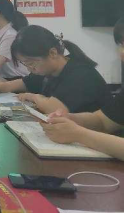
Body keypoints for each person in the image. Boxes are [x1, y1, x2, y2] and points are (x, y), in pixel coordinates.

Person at [42, 18, 124, 160]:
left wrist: (79, 134)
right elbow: (103, 121)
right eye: (121, 44)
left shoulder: (81, 73)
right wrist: (70, 119)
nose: (121, 53)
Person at [0, 25, 110, 114]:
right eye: (25, 64)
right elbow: (23, 83)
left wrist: (33, 97)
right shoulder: (47, 70)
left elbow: (55, 109)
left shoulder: (81, 75)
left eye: (31, 63)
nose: (29, 68)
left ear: (52, 53)